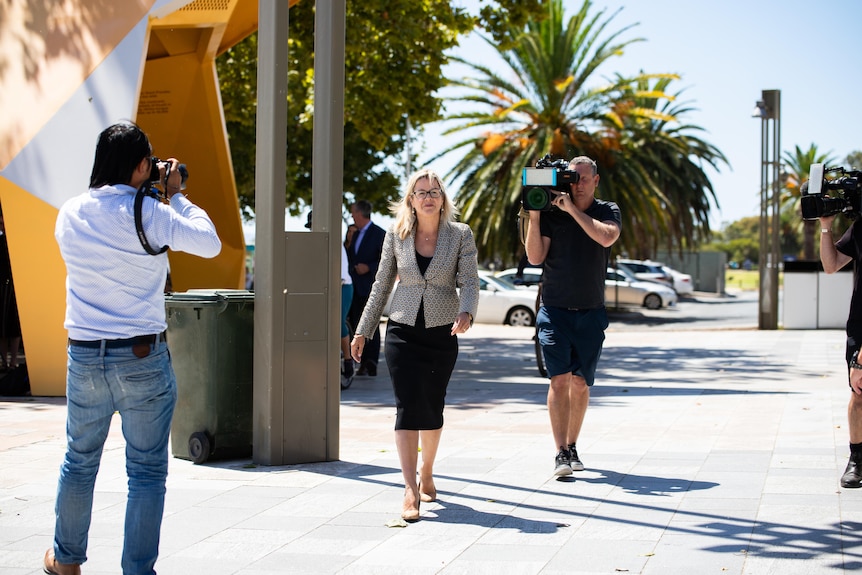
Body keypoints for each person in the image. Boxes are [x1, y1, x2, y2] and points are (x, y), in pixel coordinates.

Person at [46, 122, 222, 575]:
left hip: (84, 355)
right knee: (145, 472)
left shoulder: (69, 212)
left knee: (79, 461)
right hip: (142, 356)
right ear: (144, 165)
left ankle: (66, 562)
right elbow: (208, 242)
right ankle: (137, 571)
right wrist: (176, 192)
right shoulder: (149, 213)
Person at [350, 168, 479, 521]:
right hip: (403, 330)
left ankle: (428, 471)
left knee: (432, 407)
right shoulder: (396, 234)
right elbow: (380, 285)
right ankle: (409, 489)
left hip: (442, 331)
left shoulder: (460, 235)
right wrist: (364, 331)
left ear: (442, 199)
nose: (427, 196)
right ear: (411, 199)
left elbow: (469, 279)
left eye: (434, 191)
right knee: (406, 407)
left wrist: (467, 311)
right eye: (420, 191)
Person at [524, 155, 621, 478]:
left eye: (582, 178)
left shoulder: (607, 211)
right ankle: (560, 452)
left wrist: (573, 211)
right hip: (554, 309)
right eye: (572, 178)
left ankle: (573, 444)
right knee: (559, 378)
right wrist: (536, 216)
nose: (577, 184)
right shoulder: (552, 215)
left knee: (580, 383)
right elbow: (535, 257)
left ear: (595, 180)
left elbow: (606, 237)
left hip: (591, 311)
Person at [819, 211, 862, 488]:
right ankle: (857, 459)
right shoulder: (861, 230)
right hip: (859, 325)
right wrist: (825, 227)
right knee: (859, 395)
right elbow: (831, 265)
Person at [305, 210, 354, 379]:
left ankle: (348, 359)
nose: (313, 230)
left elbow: (338, 273)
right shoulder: (310, 245)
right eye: (311, 227)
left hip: (342, 287)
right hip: (320, 289)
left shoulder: (334, 244)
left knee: (336, 321)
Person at [347, 200, 386, 376]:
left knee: (371, 324)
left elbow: (387, 262)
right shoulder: (352, 233)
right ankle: (359, 361)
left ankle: (371, 362)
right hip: (352, 286)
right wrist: (347, 241)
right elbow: (346, 256)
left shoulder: (379, 234)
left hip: (370, 286)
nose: (351, 216)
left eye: (353, 212)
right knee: (356, 323)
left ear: (361, 213)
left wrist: (369, 267)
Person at [0, 205, 21, 371]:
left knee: (14, 327)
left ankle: (13, 362)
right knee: (2, 328)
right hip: (3, 287)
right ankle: (5, 362)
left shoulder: (15, 240)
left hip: (14, 288)